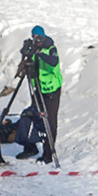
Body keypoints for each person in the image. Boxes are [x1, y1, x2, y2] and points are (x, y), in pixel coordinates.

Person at [17, 26, 61, 163]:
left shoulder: (51, 48)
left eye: (40, 38)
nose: (38, 41)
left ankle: (48, 154)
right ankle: (30, 147)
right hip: (39, 89)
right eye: (35, 38)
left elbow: (53, 62)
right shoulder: (34, 48)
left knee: (50, 122)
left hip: (52, 91)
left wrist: (40, 53)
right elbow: (28, 66)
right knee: (31, 115)